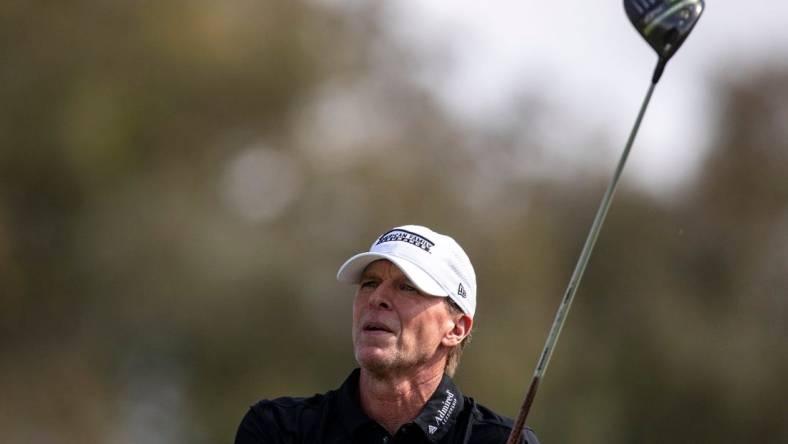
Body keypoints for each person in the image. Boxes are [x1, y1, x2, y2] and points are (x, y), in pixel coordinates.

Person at [235, 225, 540, 443]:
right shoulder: (278, 428)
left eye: (407, 287)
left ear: (456, 328)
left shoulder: (503, 440)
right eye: (369, 283)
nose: (376, 297)